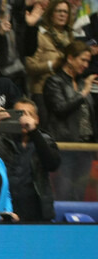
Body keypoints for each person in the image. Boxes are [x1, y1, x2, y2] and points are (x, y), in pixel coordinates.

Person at [42, 40, 95, 199]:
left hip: (86, 148)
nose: (86, 65)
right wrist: (83, 93)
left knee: (79, 194)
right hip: (66, 147)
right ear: (70, 58)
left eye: (88, 61)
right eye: (83, 60)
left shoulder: (81, 83)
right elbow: (60, 109)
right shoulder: (54, 82)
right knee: (63, 193)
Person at [0, 98, 61, 221]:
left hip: (37, 210)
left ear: (36, 119)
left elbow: (53, 165)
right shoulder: (2, 139)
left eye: (29, 115)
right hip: (8, 209)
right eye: (20, 114)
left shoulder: (45, 140)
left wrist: (34, 132)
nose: (24, 119)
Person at [25, 0, 75, 98]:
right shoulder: (40, 36)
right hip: (42, 91)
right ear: (51, 14)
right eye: (58, 11)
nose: (62, 14)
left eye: (65, 12)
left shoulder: (70, 39)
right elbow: (29, 67)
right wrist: (51, 65)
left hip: (65, 91)